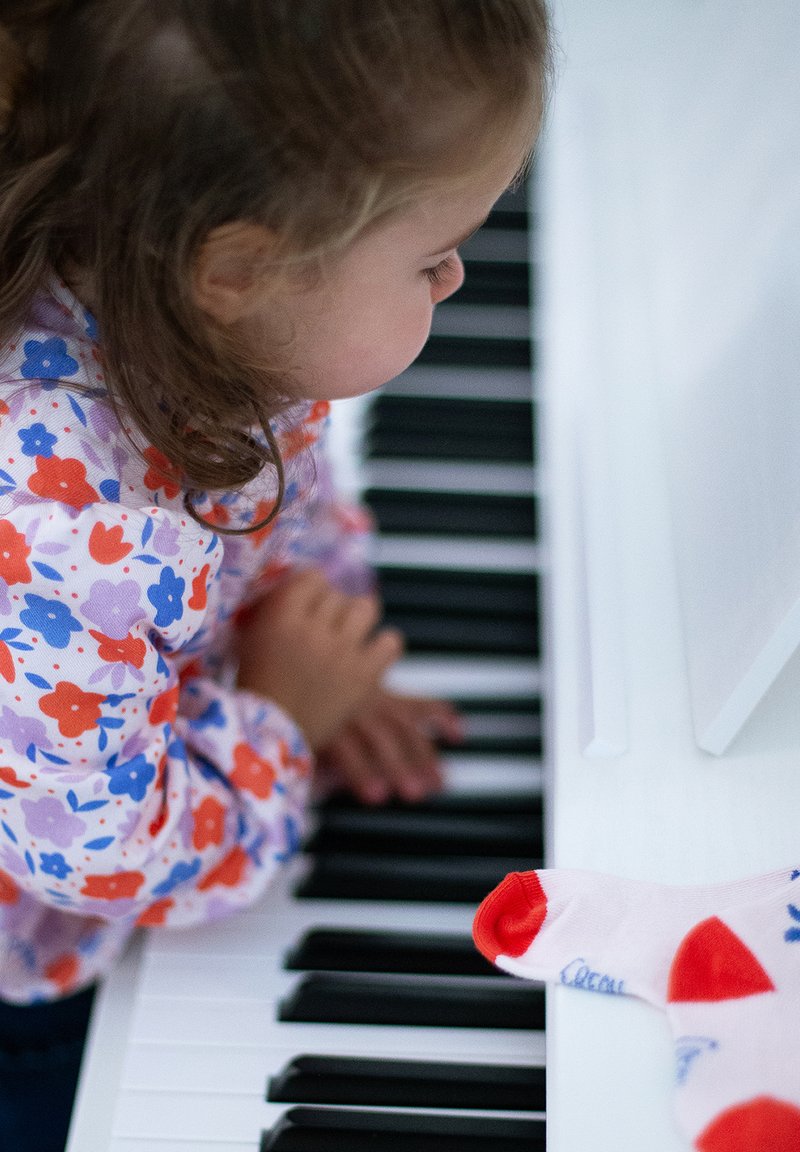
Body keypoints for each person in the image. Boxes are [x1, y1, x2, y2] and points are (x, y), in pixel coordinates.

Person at [0, 1, 552, 1147]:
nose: (457, 278)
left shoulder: (194, 314)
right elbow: (95, 852)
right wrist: (280, 726)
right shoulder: (63, 533)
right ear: (238, 269)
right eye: (430, 258)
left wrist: (316, 636)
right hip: (39, 973)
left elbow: (284, 505)